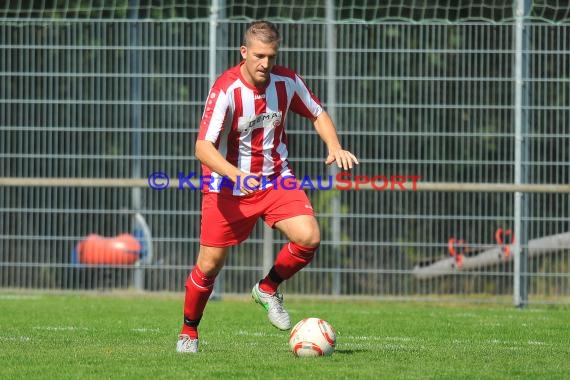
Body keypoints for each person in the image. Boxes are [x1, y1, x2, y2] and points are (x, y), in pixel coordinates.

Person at [176, 20, 358, 353]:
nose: (265, 63)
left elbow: (318, 113)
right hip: (227, 187)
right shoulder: (226, 88)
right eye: (259, 55)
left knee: (309, 237)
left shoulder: (286, 81)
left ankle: (267, 287)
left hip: (276, 179)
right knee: (209, 265)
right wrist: (235, 174)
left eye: (271, 56)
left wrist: (334, 145)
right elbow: (202, 147)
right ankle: (189, 332)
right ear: (244, 52)